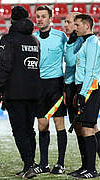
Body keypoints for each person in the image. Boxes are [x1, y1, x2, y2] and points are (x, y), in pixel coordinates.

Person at [0, 6, 41, 179]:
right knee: (30, 130)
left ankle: (28, 165)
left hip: (15, 93)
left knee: (20, 131)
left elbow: (4, 66)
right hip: (34, 92)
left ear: (12, 20)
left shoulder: (8, 39)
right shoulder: (35, 40)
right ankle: (30, 164)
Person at [64, 13, 100, 178]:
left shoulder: (92, 43)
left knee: (87, 128)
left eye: (77, 25)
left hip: (89, 89)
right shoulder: (83, 42)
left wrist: (83, 93)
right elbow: (71, 62)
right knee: (91, 127)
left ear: (86, 25)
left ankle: (91, 169)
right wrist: (70, 44)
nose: (74, 28)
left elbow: (91, 72)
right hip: (82, 88)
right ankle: (97, 166)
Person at [32, 5, 68, 174]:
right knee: (42, 125)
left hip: (56, 85)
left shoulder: (61, 37)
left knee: (59, 123)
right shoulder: (32, 38)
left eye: (43, 16)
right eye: (38, 16)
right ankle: (44, 164)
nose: (40, 19)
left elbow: (69, 59)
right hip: (38, 86)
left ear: (50, 19)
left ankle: (60, 163)